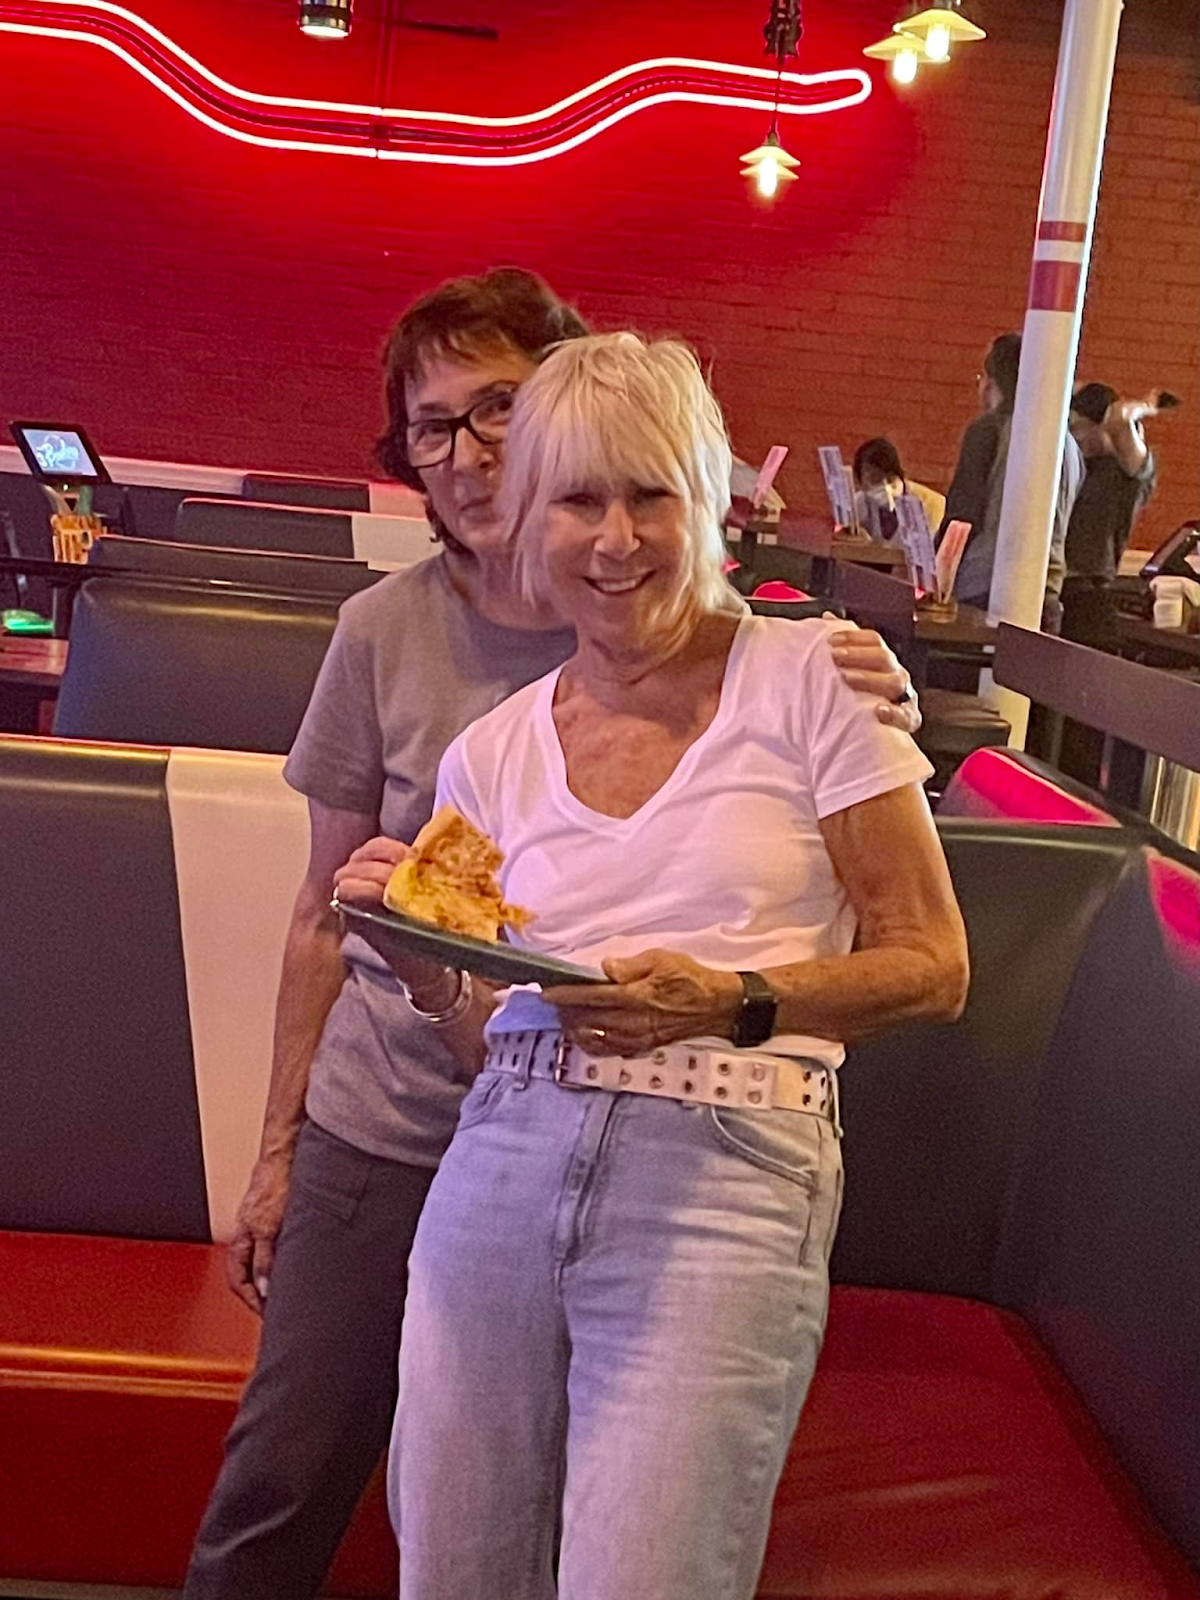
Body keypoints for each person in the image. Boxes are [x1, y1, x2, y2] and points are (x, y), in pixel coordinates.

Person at [183, 271, 923, 1600]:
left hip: (705, 1138)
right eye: (436, 427)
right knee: (354, 1511)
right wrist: (315, 1096)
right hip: (441, 1126)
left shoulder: (789, 667)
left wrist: (728, 994)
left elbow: (924, 948)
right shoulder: (441, 697)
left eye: (501, 413)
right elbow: (378, 947)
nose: (612, 534)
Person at [1056, 382, 1161, 782]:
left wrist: (1141, 407)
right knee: (1047, 723)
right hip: (1056, 595)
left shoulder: (1127, 474)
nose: (1077, 437)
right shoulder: (1069, 465)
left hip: (1089, 600)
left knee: (1079, 737)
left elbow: (1119, 421)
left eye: (1083, 428)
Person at [943, 333, 1084, 627]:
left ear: (991, 383)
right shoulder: (1070, 445)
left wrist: (934, 572)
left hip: (986, 588)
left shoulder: (989, 430)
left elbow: (962, 515)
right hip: (1047, 594)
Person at [852, 436, 945, 543]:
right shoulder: (859, 504)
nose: (885, 487)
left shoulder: (932, 506)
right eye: (874, 480)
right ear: (860, 482)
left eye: (890, 479)